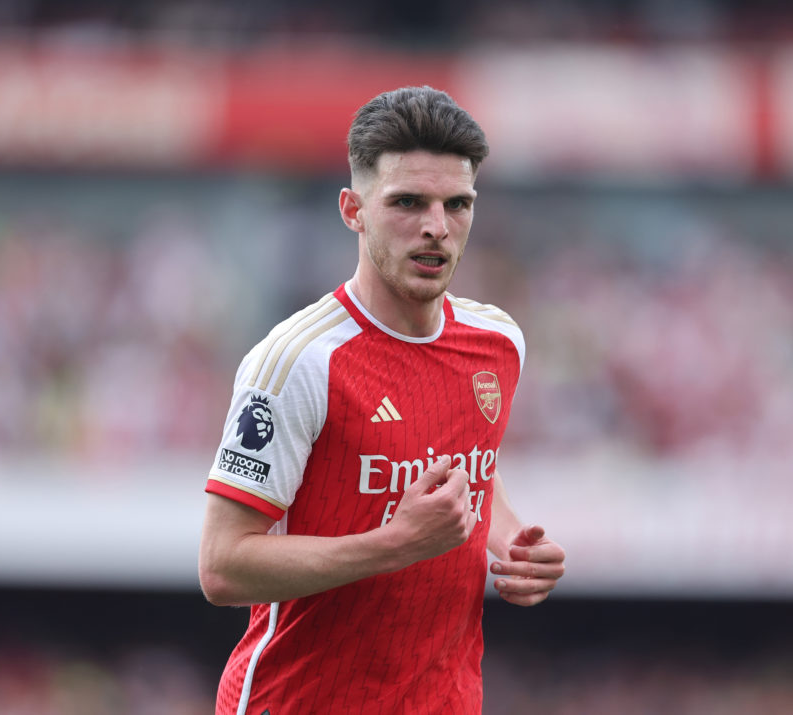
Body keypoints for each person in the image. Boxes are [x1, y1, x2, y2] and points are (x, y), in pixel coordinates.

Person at [198, 85, 566, 715]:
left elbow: (470, 462)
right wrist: (395, 544)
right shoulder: (296, 363)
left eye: (457, 204)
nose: (435, 227)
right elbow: (223, 567)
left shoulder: (499, 342)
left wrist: (509, 542)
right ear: (353, 209)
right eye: (407, 203)